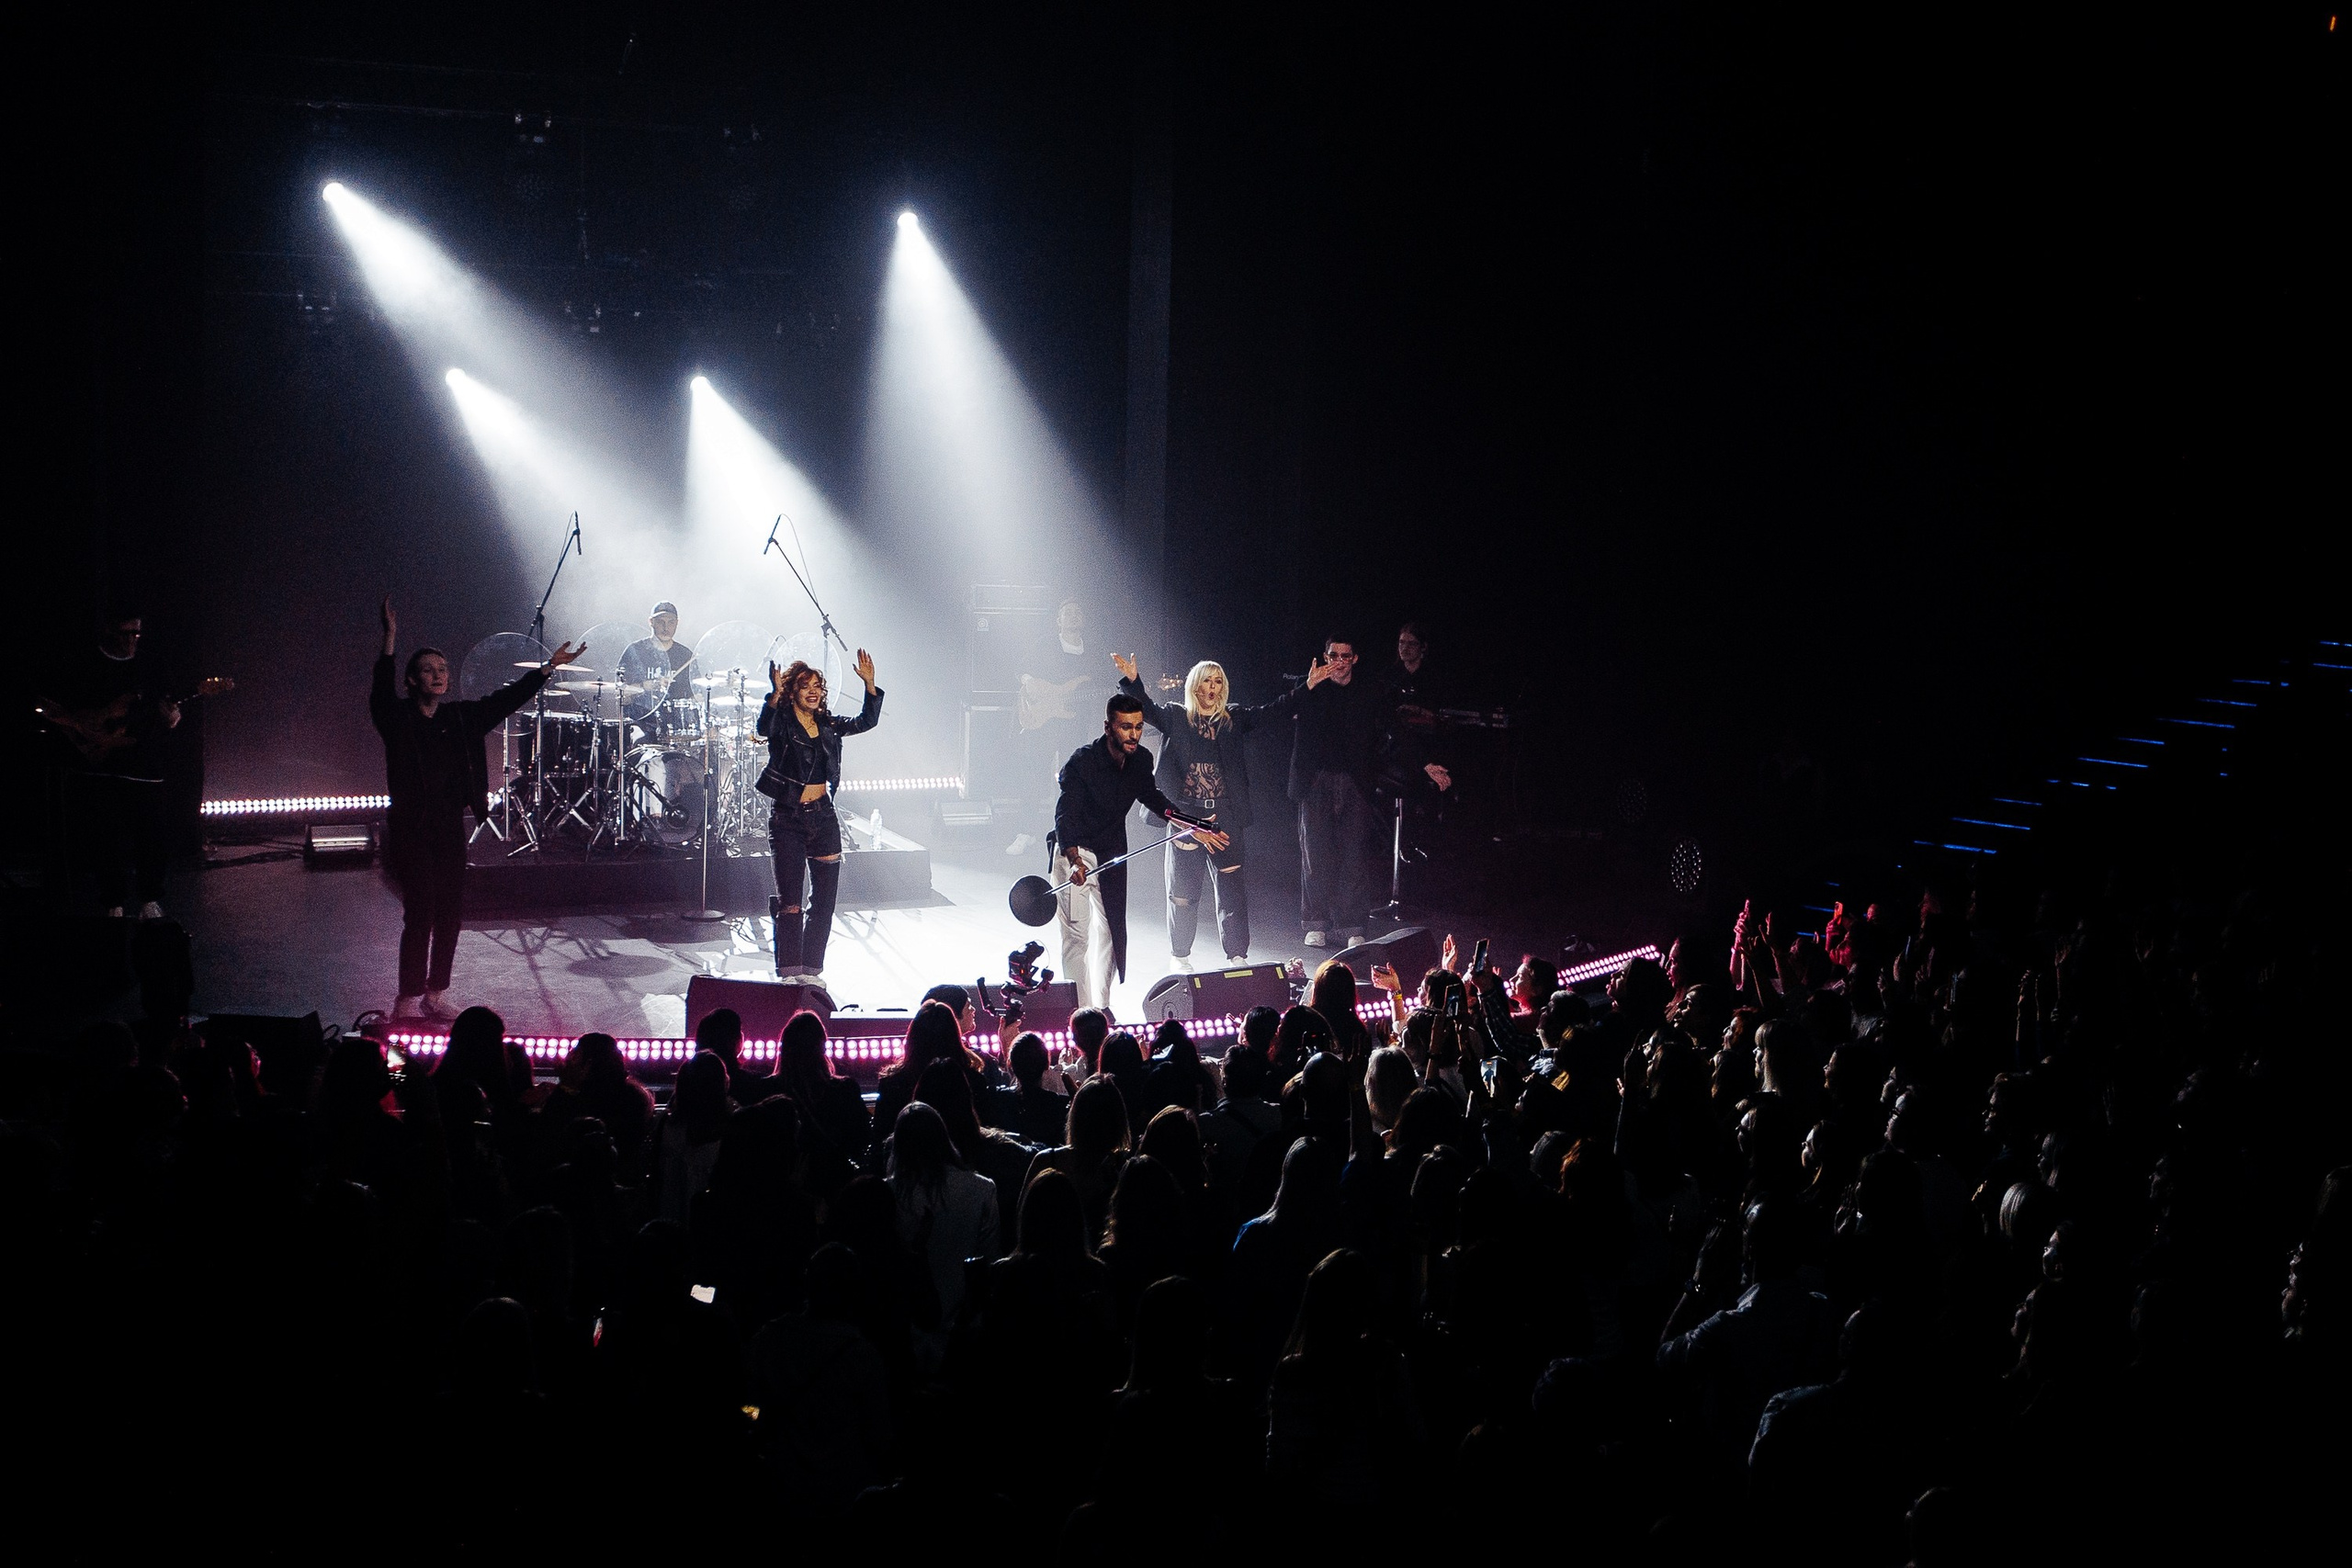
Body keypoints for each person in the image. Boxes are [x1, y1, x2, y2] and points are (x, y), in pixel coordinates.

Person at [372, 595, 581, 1017]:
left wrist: (548, 668)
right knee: (422, 909)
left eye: (442, 670)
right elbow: (380, 693)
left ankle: (436, 993)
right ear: (411, 681)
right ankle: (407, 998)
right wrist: (390, 640)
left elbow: (504, 701)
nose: (437, 675)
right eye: (428, 671)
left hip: (449, 826)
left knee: (450, 911)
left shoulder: (461, 718)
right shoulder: (398, 720)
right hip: (411, 827)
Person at [1261, 637, 1451, 950]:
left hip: (1354, 781)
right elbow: (1278, 711)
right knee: (1315, 854)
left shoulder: (1369, 691)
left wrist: (1425, 764)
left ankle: (1352, 925)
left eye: (1345, 656)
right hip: (1315, 781)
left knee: (1355, 856)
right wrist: (1307, 686)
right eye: (1332, 655)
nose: (1338, 661)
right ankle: (1316, 922)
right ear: (1324, 656)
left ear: (1355, 659)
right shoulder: (1310, 685)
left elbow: (1397, 729)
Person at [1050, 693, 1228, 1009]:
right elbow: (1065, 815)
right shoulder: (1082, 762)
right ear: (1108, 728)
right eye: (1125, 727)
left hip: (1111, 854)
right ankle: (1080, 1013)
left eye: (1138, 727)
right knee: (1077, 939)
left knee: (1112, 934)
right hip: (1074, 852)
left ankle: (1101, 1009)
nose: (1133, 734)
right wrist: (1074, 859)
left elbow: (1155, 800)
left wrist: (1193, 823)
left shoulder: (1142, 760)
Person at [1114, 653, 1276, 966]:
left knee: (1232, 890)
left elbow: (1272, 712)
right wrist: (1133, 681)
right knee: (1183, 892)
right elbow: (1144, 707)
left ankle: (1237, 954)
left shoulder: (1232, 718)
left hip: (1225, 815)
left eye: (1218, 681)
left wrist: (1309, 686)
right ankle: (1180, 955)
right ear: (1194, 686)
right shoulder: (1176, 716)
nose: (1212, 687)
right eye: (1206, 681)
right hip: (1186, 816)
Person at [40, 608, 189, 919]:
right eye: (125, 633)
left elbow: (164, 706)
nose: (132, 640)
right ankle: (114, 902)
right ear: (109, 631)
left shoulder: (148, 666)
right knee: (104, 836)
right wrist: (90, 729)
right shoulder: (86, 663)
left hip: (142, 763)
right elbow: (59, 710)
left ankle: (149, 898)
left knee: (150, 834)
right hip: (101, 765)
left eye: (137, 633)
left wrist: (172, 716)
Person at [754, 649, 882, 986]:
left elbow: (865, 722)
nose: (813, 691)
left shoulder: (828, 724)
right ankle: (789, 971)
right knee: (791, 902)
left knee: (823, 902)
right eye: (805, 686)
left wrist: (870, 686)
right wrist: (774, 694)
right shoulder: (782, 723)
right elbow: (764, 727)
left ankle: (811, 970)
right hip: (788, 820)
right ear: (794, 692)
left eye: (817, 686)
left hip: (823, 817)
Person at [615, 600, 696, 728]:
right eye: (660, 622)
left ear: (677, 623)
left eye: (671, 622)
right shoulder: (634, 652)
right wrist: (645, 686)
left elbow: (695, 696)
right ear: (651, 622)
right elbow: (620, 693)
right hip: (639, 724)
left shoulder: (685, 655)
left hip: (676, 727)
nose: (666, 627)